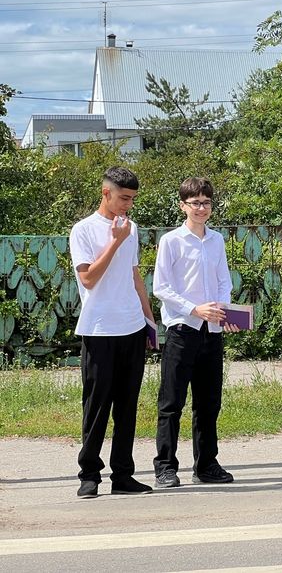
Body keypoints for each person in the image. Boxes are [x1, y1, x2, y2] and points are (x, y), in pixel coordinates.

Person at [69, 166, 155, 498]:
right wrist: (115, 242)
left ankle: (123, 475)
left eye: (132, 199)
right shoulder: (83, 230)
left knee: (127, 407)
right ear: (106, 193)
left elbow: (134, 276)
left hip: (132, 326)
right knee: (96, 405)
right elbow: (89, 278)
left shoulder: (132, 228)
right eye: (123, 198)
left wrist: (149, 320)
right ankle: (89, 474)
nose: (128, 205)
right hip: (99, 328)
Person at [152, 177, 237, 489]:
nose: (201, 208)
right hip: (182, 328)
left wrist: (223, 310)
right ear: (182, 206)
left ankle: (206, 464)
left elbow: (224, 280)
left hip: (211, 330)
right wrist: (194, 309)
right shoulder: (172, 241)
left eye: (206, 202)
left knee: (209, 402)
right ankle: (165, 466)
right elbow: (161, 287)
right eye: (195, 203)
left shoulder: (216, 240)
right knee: (172, 402)